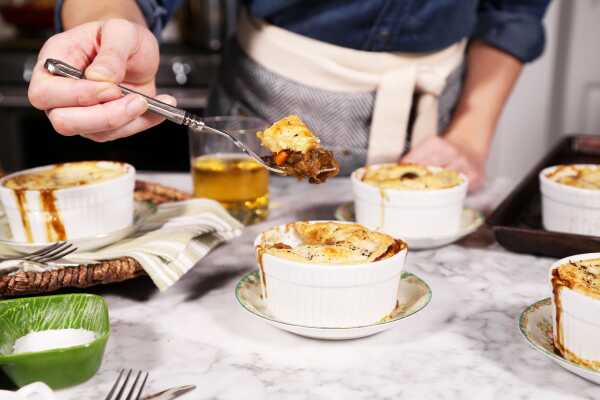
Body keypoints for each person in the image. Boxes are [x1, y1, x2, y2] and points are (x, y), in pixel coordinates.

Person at [28, 0, 551, 190]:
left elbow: (514, 12)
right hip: (261, 107)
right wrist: (106, 31)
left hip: (435, 114)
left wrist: (471, 133)